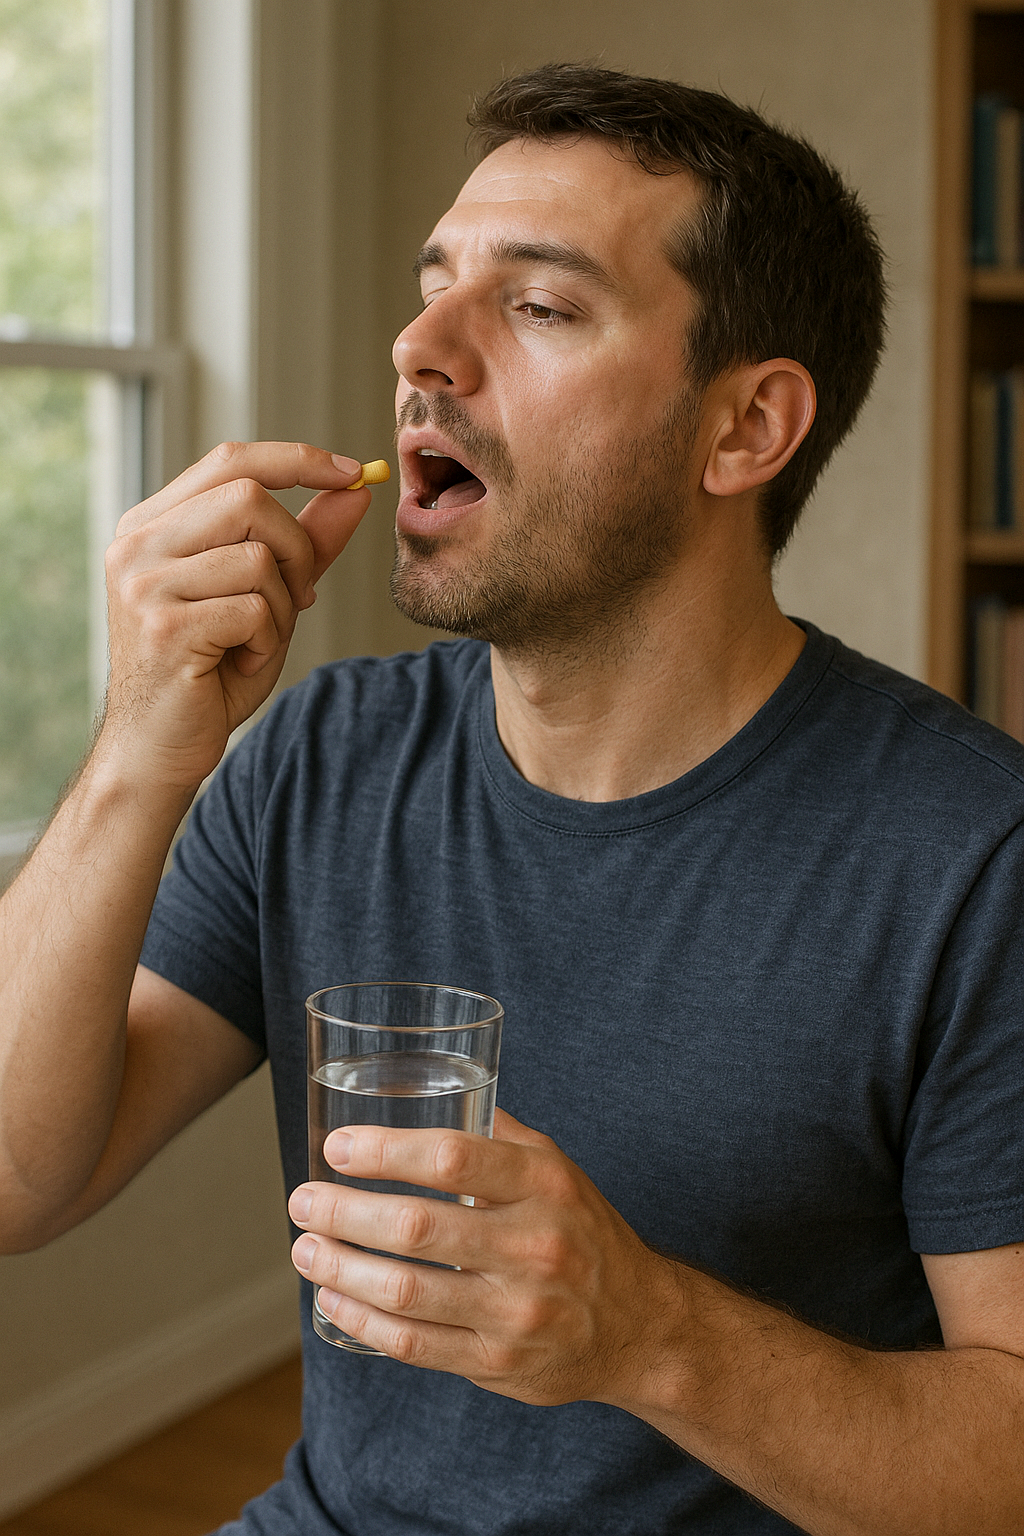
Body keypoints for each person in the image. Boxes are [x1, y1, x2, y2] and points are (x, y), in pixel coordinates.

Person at [1, 61, 1023, 1536]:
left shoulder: (972, 856)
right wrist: (138, 756)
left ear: (745, 429)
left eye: (538, 306)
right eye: (433, 288)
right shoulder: (320, 754)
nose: (421, 347)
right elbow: (22, 1187)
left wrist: (650, 1334)